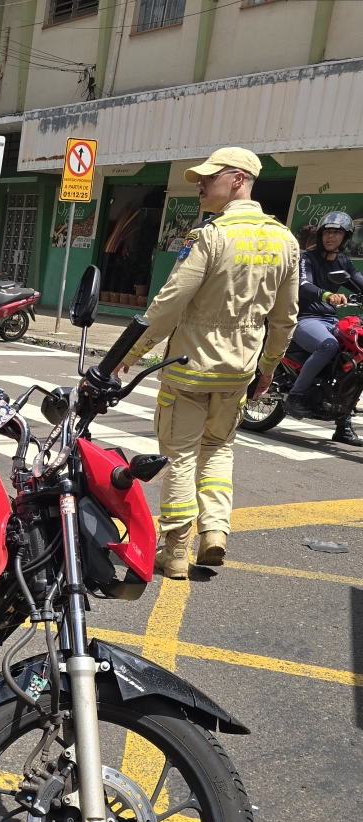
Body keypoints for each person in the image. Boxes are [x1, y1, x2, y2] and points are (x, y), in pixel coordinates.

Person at [114, 147, 299, 578]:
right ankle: (215, 532)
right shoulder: (285, 240)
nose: (199, 184)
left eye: (209, 177)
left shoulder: (209, 237)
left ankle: (175, 549)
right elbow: (286, 317)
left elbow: (168, 303)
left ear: (238, 180)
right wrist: (268, 367)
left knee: (179, 456)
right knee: (218, 450)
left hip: (189, 369)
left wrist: (129, 353)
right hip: (239, 372)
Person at [280, 211, 363, 444]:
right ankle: (295, 396)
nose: (330, 237)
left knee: (352, 358)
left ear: (345, 237)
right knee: (329, 345)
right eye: (327, 232)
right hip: (304, 318)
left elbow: (357, 280)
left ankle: (343, 426)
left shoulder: (343, 262)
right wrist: (326, 295)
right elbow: (303, 284)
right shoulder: (308, 258)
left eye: (336, 233)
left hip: (328, 319)